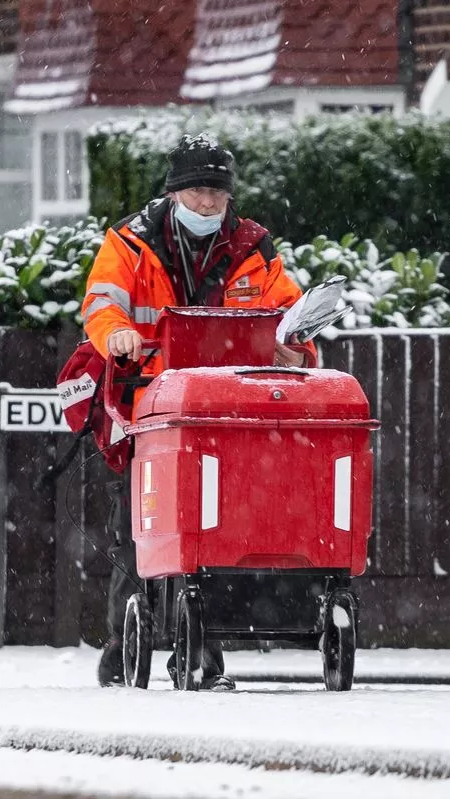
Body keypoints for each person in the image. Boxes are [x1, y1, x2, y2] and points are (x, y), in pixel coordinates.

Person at [81, 133, 315, 690]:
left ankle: (202, 648)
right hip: (151, 409)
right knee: (141, 527)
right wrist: (116, 338)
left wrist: (296, 348)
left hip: (222, 413)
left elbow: (290, 316)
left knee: (211, 529)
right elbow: (101, 303)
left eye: (217, 193)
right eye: (198, 193)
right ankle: (124, 644)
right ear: (174, 194)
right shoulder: (130, 244)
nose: (208, 204)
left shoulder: (253, 250)